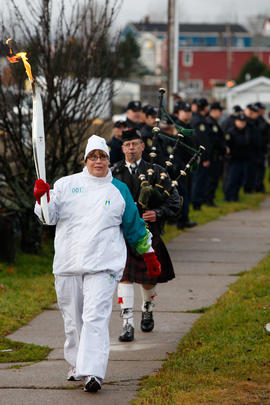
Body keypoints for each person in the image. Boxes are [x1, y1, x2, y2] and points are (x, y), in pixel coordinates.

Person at [33, 135, 161, 393]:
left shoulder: (118, 190)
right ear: (86, 160)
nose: (98, 161)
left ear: (108, 160)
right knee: (73, 319)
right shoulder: (66, 184)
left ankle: (93, 372)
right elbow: (48, 217)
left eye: (102, 156)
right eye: (93, 156)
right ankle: (78, 364)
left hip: (104, 264)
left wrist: (149, 254)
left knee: (94, 317)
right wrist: (41, 199)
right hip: (68, 263)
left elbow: (134, 226)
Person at [112, 128, 180, 342]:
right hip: (121, 235)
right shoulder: (113, 174)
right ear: (122, 148)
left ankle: (148, 307)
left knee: (148, 279)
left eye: (135, 144)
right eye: (127, 145)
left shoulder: (158, 171)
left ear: (142, 146)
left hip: (149, 233)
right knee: (124, 277)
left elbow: (175, 202)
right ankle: (127, 323)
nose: (131, 148)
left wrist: (157, 213)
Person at [190, 98, 212, 210]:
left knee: (198, 179)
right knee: (199, 179)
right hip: (201, 156)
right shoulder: (199, 121)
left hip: (197, 155)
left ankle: (197, 201)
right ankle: (196, 203)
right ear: (205, 107)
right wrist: (205, 157)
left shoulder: (195, 118)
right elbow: (203, 141)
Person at [224, 113, 250, 201]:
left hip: (243, 159)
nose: (242, 123)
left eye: (243, 122)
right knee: (232, 179)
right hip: (234, 160)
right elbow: (227, 146)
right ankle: (228, 197)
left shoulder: (246, 131)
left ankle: (235, 196)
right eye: (240, 121)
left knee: (240, 179)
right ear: (236, 121)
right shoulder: (231, 132)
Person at [206, 102, 227, 206]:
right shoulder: (210, 123)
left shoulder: (214, 122)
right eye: (220, 111)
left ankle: (210, 199)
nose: (221, 114)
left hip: (217, 156)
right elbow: (214, 140)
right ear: (213, 111)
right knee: (211, 179)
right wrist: (223, 148)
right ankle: (208, 200)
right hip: (213, 156)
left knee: (214, 179)